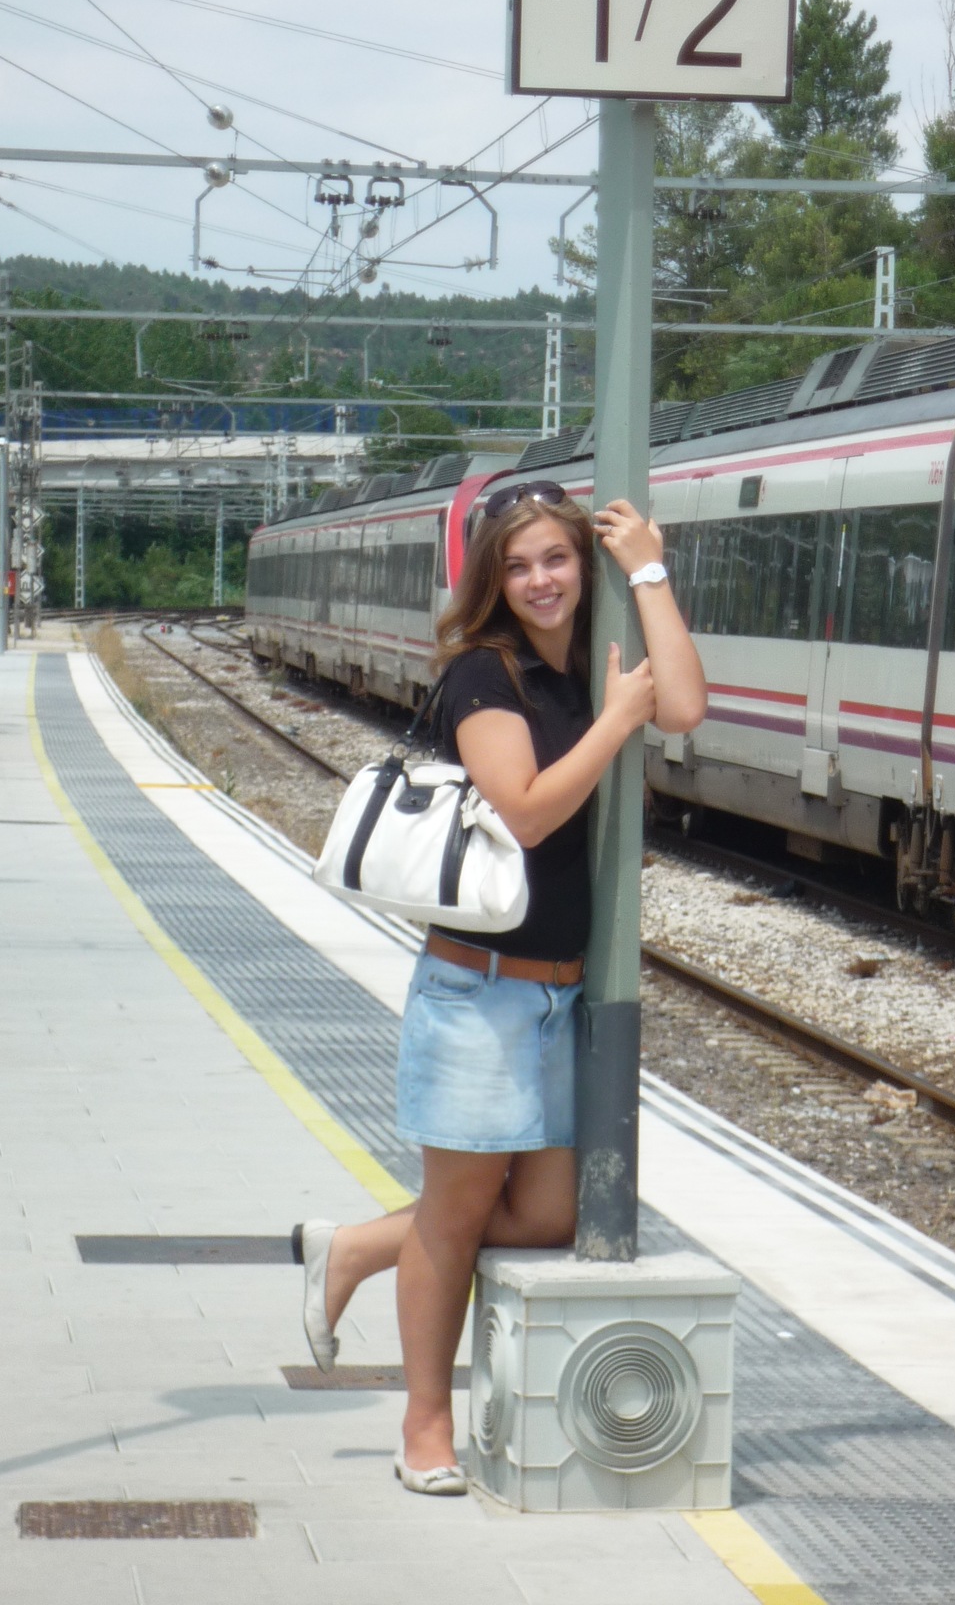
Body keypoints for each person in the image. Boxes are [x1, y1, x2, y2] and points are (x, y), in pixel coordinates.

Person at [296, 482, 706, 1496]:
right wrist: (615, 721)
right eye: (519, 566)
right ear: (494, 580)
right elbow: (523, 811)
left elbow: (686, 707)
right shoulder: (485, 672)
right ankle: (425, 1426)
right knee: (456, 1216)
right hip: (479, 992)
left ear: (583, 565)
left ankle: (352, 1249)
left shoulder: (594, 652)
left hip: (561, 997)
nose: (541, 580)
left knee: (547, 1213)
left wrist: (649, 570)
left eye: (557, 559)